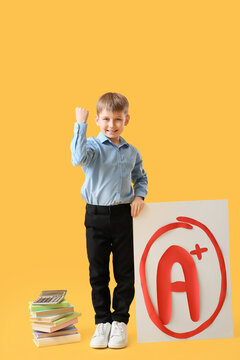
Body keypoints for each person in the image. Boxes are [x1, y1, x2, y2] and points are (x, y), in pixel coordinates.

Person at [70, 92, 148, 348]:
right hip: (95, 216)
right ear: (97, 120)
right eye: (106, 119)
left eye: (117, 119)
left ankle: (120, 322)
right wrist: (80, 125)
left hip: (123, 217)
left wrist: (139, 196)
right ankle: (102, 322)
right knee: (98, 272)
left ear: (127, 120)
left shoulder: (132, 151)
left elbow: (141, 177)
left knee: (125, 272)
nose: (111, 125)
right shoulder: (92, 147)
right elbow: (77, 158)